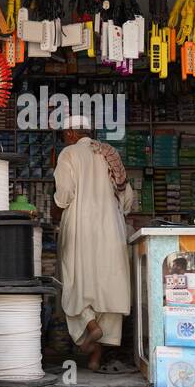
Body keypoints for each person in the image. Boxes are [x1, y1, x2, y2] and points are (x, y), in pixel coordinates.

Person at [54, 115, 135, 371]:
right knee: (106, 285)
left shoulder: (69, 153)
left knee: (76, 279)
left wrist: (59, 204)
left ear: (69, 133)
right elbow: (127, 198)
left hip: (80, 225)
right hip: (111, 227)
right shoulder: (108, 153)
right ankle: (95, 358)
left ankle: (90, 325)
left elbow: (65, 193)